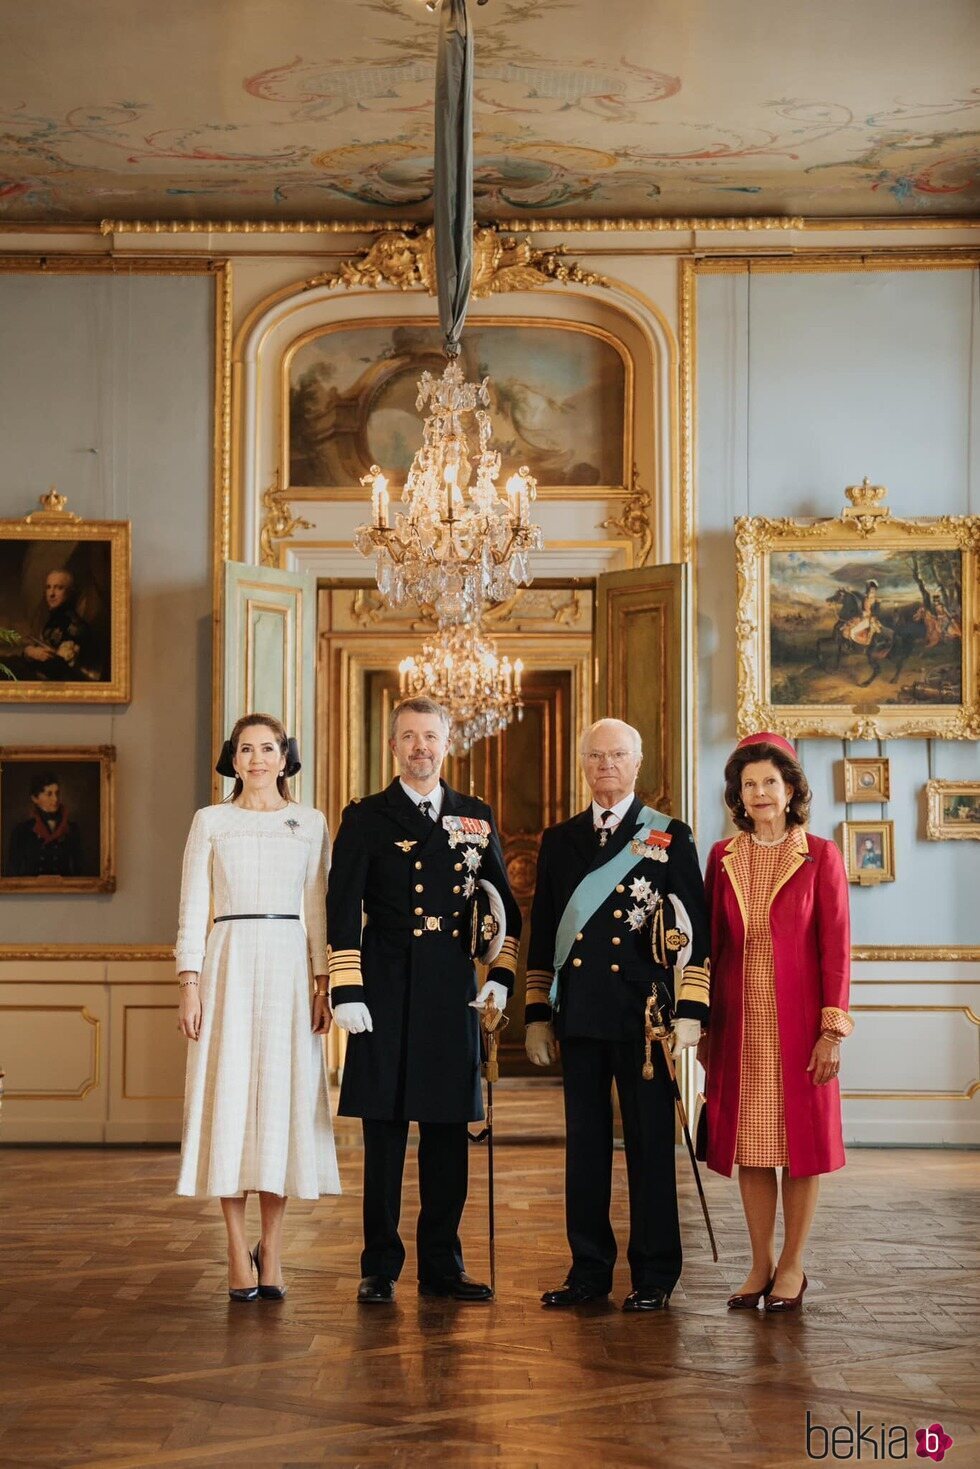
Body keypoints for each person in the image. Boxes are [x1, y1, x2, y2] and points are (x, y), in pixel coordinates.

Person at [327, 696, 521, 1305]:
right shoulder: (365, 817)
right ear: (392, 746)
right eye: (408, 737)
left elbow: (504, 908)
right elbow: (341, 909)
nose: (420, 747)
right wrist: (346, 987)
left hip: (450, 995)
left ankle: (442, 1264)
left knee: (445, 1135)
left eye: (430, 736)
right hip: (381, 990)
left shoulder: (475, 816)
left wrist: (502, 976)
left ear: (447, 744)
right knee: (384, 1136)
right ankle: (379, 1266)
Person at [524, 718, 710, 1312]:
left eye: (618, 755)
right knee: (585, 1149)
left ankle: (654, 1274)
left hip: (645, 1020)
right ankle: (588, 1272)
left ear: (638, 763)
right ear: (584, 764)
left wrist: (691, 1009)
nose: (606, 765)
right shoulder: (559, 839)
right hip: (579, 1015)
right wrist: (534, 1011)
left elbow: (695, 931)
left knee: (652, 1148)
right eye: (596, 756)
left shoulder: (668, 836)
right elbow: (544, 929)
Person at [175, 713, 340, 1302]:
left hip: (291, 968)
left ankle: (272, 1248)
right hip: (227, 964)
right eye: (245, 749)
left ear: (285, 756)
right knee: (229, 1099)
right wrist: (188, 981)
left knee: (280, 1102)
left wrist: (324, 984)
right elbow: (193, 902)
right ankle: (233, 1246)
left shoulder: (310, 823)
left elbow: (320, 909)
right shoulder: (211, 821)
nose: (256, 759)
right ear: (232, 758)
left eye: (267, 748)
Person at [702, 731, 853, 1313]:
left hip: (799, 1026)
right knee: (754, 1146)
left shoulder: (821, 854)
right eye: (749, 784)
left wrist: (831, 1029)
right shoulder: (723, 857)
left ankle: (792, 1263)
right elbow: (711, 946)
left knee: (802, 1147)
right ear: (737, 796)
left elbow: (836, 948)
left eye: (770, 781)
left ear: (791, 790)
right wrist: (706, 1027)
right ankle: (760, 1261)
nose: (760, 792)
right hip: (740, 1026)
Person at [9, 568, 104, 682]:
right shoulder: (53, 621)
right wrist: (29, 652)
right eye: (48, 587)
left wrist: (30, 653)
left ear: (69, 592)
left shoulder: (76, 628)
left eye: (59, 588)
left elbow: (58, 671)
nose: (51, 594)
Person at [6, 770, 83, 877]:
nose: (55, 799)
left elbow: (79, 871)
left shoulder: (72, 829)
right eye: (49, 794)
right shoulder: (21, 831)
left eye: (57, 793)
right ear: (35, 798)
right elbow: (13, 871)